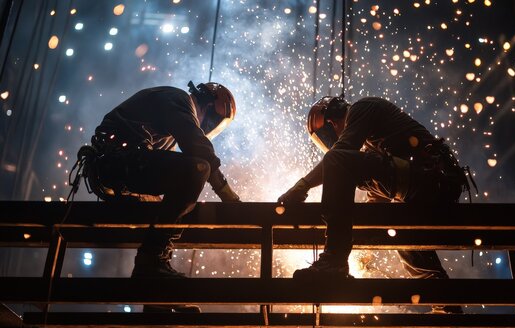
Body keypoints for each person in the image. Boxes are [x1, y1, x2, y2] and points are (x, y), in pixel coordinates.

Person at [278, 96, 473, 312]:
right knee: (396, 228)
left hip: (429, 179)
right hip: (432, 187)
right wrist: (363, 251)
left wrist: (303, 185)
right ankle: (443, 298)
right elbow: (377, 202)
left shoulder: (362, 108)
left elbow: (339, 155)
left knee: (337, 160)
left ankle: (333, 261)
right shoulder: (373, 143)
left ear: (331, 123)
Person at [79, 82, 240, 284]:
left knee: (174, 209)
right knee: (197, 169)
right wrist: (228, 195)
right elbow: (197, 147)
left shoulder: (168, 133)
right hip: (119, 162)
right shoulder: (178, 98)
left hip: (122, 168)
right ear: (208, 106)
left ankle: (157, 283)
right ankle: (151, 260)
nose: (206, 128)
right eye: (212, 122)